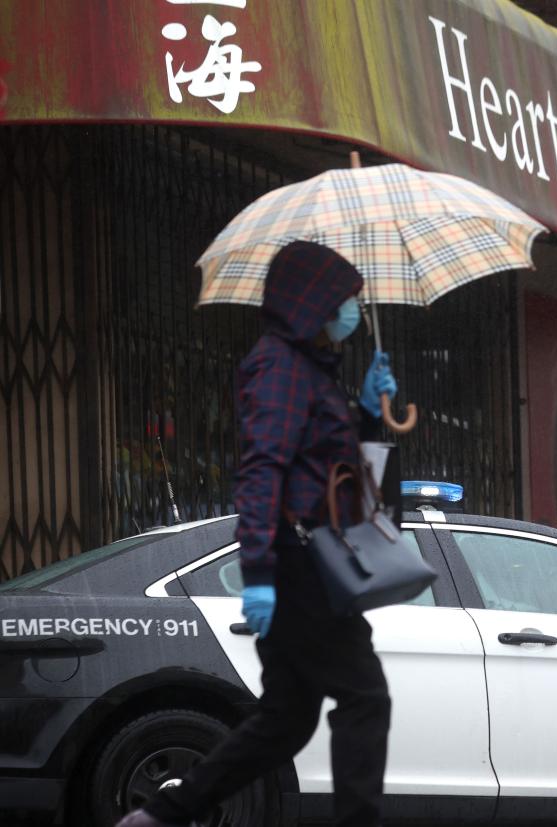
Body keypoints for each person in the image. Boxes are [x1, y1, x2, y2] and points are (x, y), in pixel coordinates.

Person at [118, 241, 398, 827]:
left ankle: (161, 815)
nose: (352, 311)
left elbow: (346, 480)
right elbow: (261, 470)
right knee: (365, 698)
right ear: (314, 302)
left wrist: (369, 413)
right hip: (301, 565)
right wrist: (261, 575)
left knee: (287, 721)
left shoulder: (315, 374)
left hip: (314, 561)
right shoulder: (280, 367)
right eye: (346, 299)